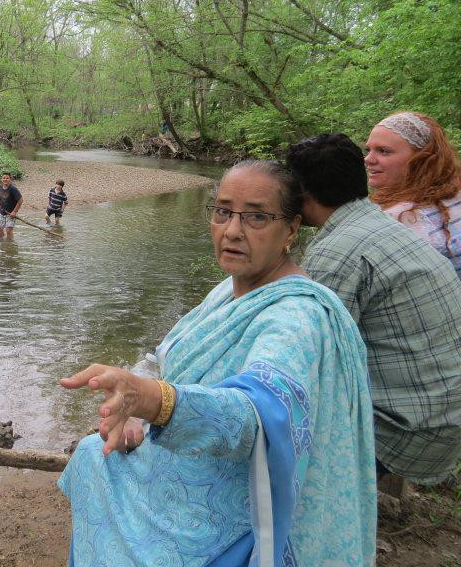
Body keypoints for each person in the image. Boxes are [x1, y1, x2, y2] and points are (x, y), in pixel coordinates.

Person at [59, 160, 375, 567]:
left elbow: (256, 417)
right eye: (223, 212)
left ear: (292, 229)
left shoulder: (296, 317)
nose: (232, 231)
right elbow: (162, 357)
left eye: (257, 217)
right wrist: (135, 410)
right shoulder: (228, 291)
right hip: (187, 456)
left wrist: (153, 401)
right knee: (93, 456)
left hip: (238, 504)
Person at [287, 133, 461, 484]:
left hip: (407, 436)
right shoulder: (378, 223)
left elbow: (305, 359)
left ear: (300, 192)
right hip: (444, 421)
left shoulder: (336, 253)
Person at [365, 111, 461, 278]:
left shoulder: (402, 218)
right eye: (369, 150)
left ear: (421, 159)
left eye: (384, 151)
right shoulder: (452, 193)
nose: (368, 159)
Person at [0, 172, 23, 238]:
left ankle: (9, 246)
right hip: (2, 211)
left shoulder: (13, 189)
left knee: (8, 231)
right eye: (4, 178)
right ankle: (2, 243)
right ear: (1, 179)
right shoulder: (0, 187)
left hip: (11, 213)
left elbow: (20, 200)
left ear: (10, 179)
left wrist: (14, 212)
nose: (5, 179)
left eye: (7, 178)